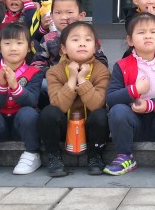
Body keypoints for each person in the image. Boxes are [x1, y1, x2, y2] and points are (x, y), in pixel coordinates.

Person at [105, 12, 155, 176]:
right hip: (133, 123)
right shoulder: (121, 65)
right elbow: (111, 98)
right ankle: (125, 156)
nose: (148, 36)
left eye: (153, 32)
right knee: (117, 110)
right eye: (141, 32)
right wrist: (134, 90)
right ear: (130, 40)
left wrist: (150, 105)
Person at [40, 21, 110, 177]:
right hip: (65, 125)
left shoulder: (101, 71)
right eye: (75, 39)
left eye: (87, 40)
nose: (82, 44)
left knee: (102, 115)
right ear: (63, 49)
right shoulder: (54, 72)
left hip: (90, 127)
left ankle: (95, 156)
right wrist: (72, 79)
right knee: (48, 113)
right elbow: (58, 106)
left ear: (95, 47)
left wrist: (83, 80)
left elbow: (97, 104)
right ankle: (54, 157)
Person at [0, 23, 45, 177]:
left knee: (29, 113)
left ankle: (32, 153)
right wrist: (2, 85)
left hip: (22, 124)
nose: (13, 48)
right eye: (7, 43)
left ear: (29, 47)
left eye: (19, 43)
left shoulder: (35, 72)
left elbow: (31, 101)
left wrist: (15, 86)